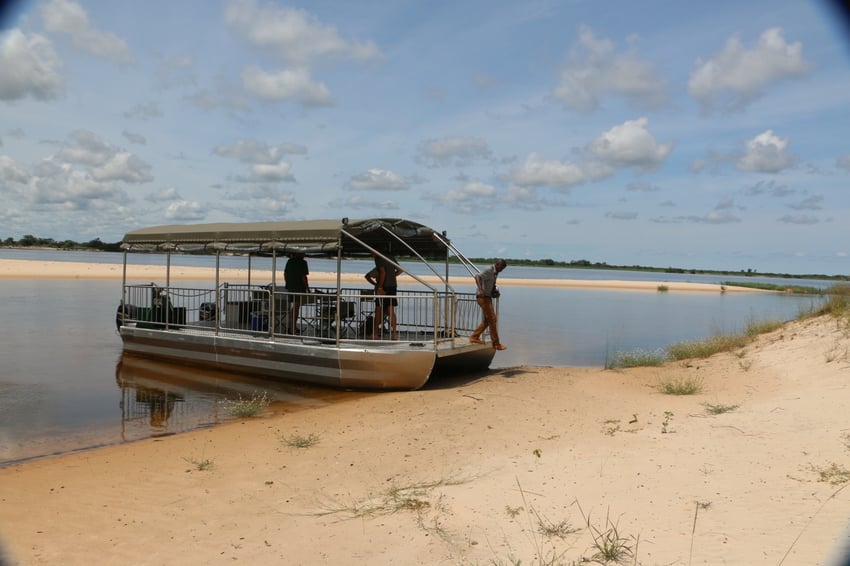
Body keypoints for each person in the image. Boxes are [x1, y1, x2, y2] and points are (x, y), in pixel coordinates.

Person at [470, 259, 507, 350]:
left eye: (503, 269)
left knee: (488, 320)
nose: (501, 270)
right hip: (482, 298)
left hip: (487, 297)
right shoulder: (489, 270)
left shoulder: (495, 272)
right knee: (492, 319)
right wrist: (481, 290)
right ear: (497, 264)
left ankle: (474, 337)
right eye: (501, 268)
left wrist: (494, 292)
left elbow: (491, 283)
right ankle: (496, 343)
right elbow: (477, 277)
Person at [368, 252, 401, 339]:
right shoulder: (390, 256)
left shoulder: (379, 259)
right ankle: (394, 334)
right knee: (391, 311)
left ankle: (374, 334)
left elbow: (383, 273)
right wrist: (392, 276)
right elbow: (400, 270)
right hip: (393, 286)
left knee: (378, 310)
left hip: (384, 287)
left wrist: (379, 286)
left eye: (371, 253)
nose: (371, 255)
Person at [284, 252, 309, 333]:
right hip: (298, 288)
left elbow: (285, 274)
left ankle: (292, 326)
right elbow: (303, 277)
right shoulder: (303, 263)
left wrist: (288, 283)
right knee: (296, 307)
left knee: (294, 307)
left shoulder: (290, 261)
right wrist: (307, 289)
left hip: (290, 287)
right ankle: (292, 328)